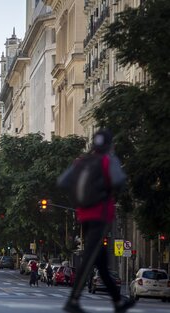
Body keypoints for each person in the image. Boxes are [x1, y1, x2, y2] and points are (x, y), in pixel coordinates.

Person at [58, 129, 134, 313]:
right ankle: (73, 300)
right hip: (101, 215)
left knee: (100, 261)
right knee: (90, 257)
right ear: (110, 145)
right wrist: (105, 191)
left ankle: (118, 301)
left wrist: (79, 198)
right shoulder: (109, 159)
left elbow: (63, 181)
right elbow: (119, 181)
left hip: (84, 215)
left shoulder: (81, 161)